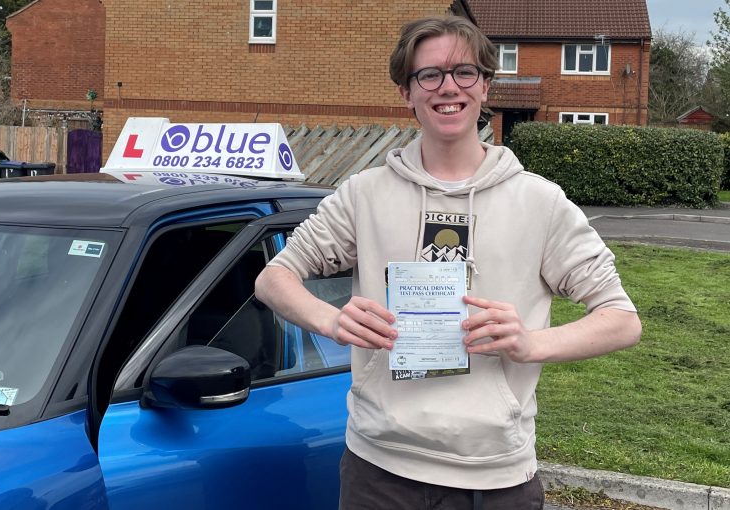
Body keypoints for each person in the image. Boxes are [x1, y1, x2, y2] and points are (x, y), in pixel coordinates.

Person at [255, 14, 641, 510]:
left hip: (496, 476)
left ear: (484, 86)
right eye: (429, 75)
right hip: (379, 469)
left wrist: (530, 343)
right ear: (407, 92)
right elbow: (273, 278)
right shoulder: (364, 195)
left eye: (464, 72)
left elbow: (621, 320)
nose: (447, 87)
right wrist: (331, 319)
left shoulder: (541, 202)